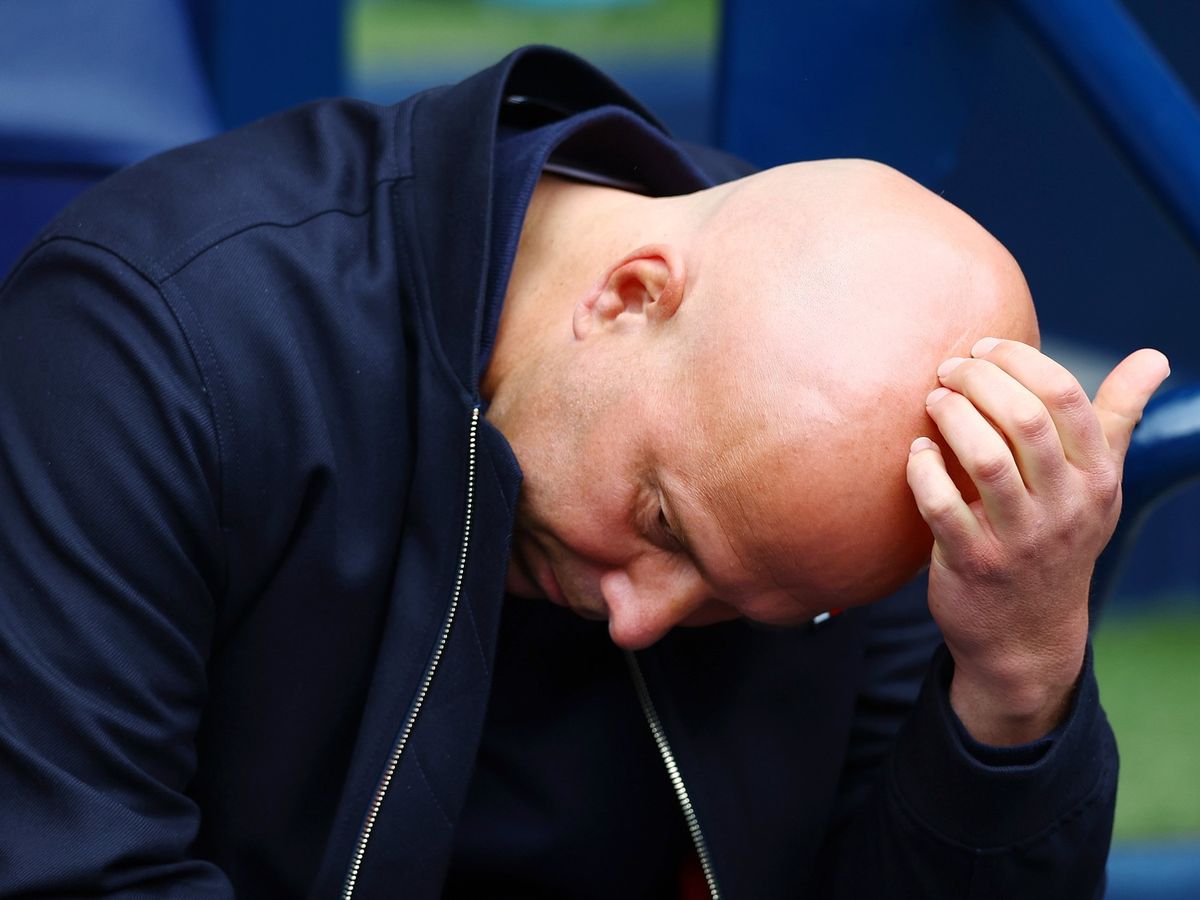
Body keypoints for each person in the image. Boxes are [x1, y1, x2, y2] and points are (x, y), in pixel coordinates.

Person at [0, 45, 1167, 898]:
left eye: (741, 608)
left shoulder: (848, 450)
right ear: (627, 297)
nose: (638, 617)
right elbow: (75, 867)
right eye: (661, 521)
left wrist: (1016, 679)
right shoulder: (156, 338)